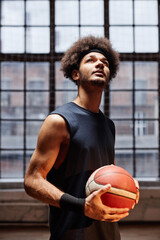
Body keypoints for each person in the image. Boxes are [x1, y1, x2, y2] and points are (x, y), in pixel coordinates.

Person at [24, 35, 139, 240]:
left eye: (104, 62)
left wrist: (127, 184)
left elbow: (105, 172)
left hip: (109, 232)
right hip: (71, 233)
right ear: (76, 74)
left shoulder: (108, 125)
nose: (99, 64)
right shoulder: (59, 121)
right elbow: (32, 180)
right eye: (91, 60)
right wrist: (82, 206)